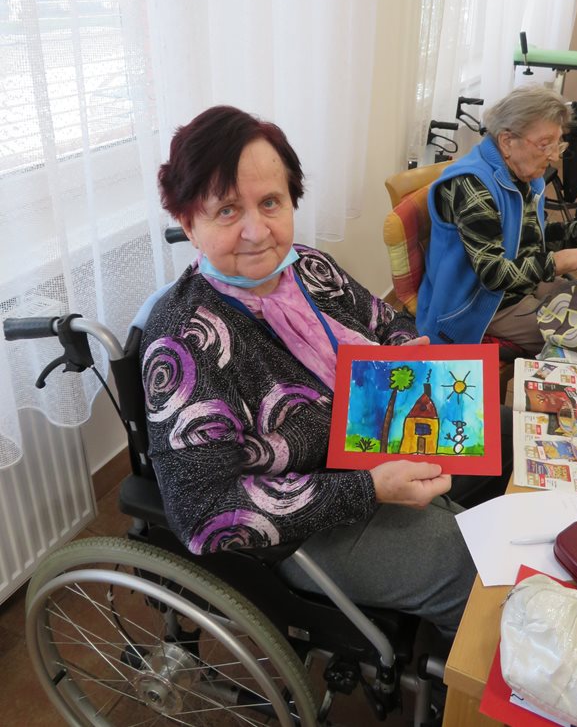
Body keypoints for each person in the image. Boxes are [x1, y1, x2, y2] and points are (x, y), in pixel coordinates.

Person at [141, 105, 505, 639]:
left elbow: (386, 322)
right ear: (188, 223)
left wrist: (407, 352)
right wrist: (368, 489)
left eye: (270, 202)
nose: (256, 231)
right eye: (226, 210)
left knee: (505, 429)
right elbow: (205, 513)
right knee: (466, 570)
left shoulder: (308, 267)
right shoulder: (186, 341)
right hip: (307, 514)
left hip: (382, 435)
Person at [417, 85, 577, 354]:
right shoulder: (472, 186)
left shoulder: (518, 172)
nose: (555, 156)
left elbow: (525, 239)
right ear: (507, 141)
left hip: (518, 290)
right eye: (545, 144)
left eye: (558, 143)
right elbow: (494, 274)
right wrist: (566, 260)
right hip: (476, 308)